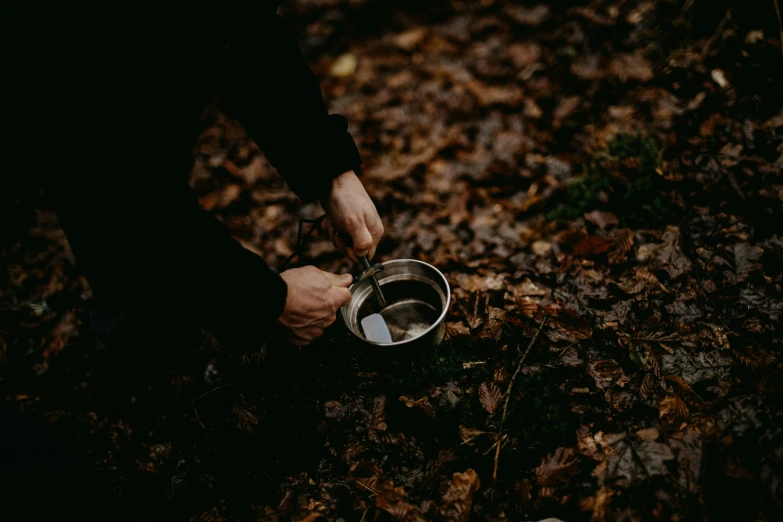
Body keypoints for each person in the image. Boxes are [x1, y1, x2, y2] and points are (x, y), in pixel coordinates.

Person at [3, 3, 384, 352]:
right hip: (75, 137)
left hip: (131, 120)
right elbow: (116, 191)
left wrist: (333, 174)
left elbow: (251, 42)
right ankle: (137, 329)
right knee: (121, 249)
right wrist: (264, 302)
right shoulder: (74, 38)